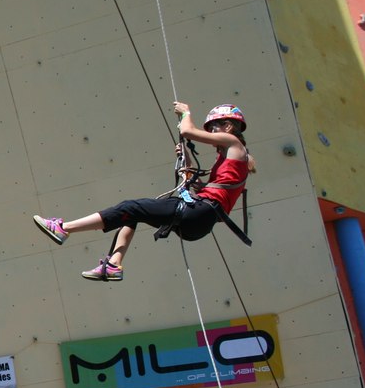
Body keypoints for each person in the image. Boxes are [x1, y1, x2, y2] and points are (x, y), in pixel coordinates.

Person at [31, 103, 256, 281]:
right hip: (200, 221)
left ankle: (64, 228)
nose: (212, 133)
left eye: (215, 127)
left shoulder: (233, 142)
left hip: (199, 213)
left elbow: (188, 130)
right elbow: (191, 180)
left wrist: (185, 113)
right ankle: (113, 265)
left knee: (130, 206)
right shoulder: (230, 159)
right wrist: (185, 155)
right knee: (131, 215)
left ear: (228, 126)